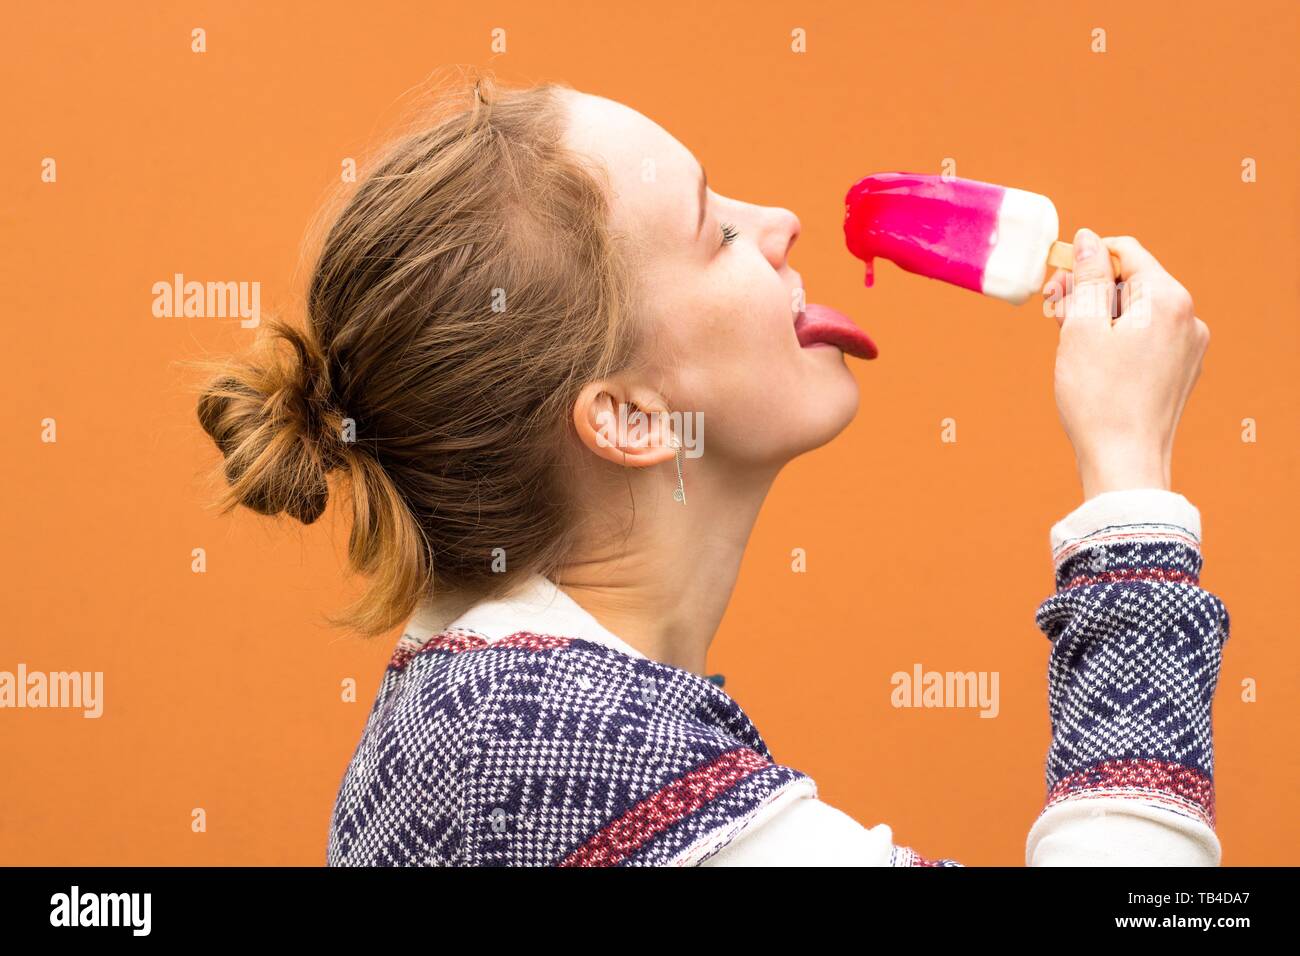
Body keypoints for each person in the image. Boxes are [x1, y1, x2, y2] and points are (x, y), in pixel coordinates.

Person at [196, 75, 1227, 866]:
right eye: (715, 229)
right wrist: (1129, 487)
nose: (779, 221)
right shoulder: (543, 743)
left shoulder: (481, 708)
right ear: (630, 417)